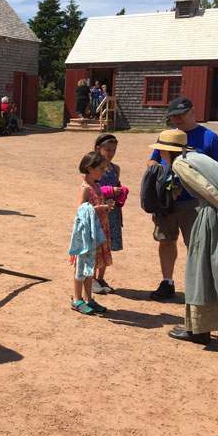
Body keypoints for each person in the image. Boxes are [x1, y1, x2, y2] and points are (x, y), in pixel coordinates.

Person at [147, 129, 218, 344]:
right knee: (212, 269)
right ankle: (200, 327)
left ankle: (198, 330)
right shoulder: (204, 158)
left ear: (165, 150)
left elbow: (207, 190)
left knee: (199, 270)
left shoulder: (179, 163)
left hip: (214, 215)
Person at [147, 96, 218, 301]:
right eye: (173, 116)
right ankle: (167, 282)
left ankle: (198, 285)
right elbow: (152, 160)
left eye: (181, 115)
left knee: (196, 245)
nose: (177, 119)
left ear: (192, 112)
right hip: (167, 201)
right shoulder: (168, 136)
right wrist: (163, 179)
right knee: (166, 241)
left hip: (194, 201)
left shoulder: (210, 138)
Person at [68, 151, 115, 314]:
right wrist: (101, 207)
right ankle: (76, 299)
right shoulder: (85, 188)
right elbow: (80, 211)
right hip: (86, 235)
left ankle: (88, 299)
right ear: (90, 168)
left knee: (91, 267)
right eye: (101, 168)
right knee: (81, 267)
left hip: (97, 232)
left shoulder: (97, 186)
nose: (104, 172)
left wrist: (107, 205)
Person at [92, 133, 126, 294]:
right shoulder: (93, 168)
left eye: (114, 150)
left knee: (107, 245)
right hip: (97, 211)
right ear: (98, 149)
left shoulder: (115, 169)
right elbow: (91, 189)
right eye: (108, 150)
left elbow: (117, 185)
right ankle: (91, 278)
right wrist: (110, 191)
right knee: (95, 244)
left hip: (111, 212)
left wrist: (121, 193)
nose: (111, 153)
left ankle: (101, 277)